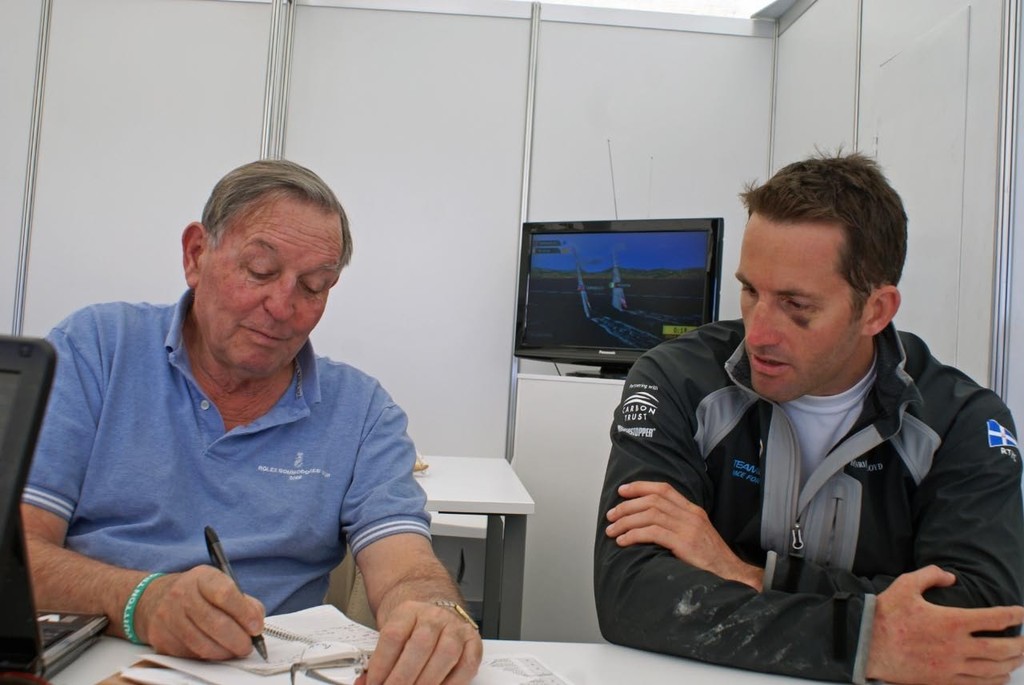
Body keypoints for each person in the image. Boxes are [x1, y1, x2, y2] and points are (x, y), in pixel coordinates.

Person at [21, 159, 482, 685]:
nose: (283, 307)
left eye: (314, 287)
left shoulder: (360, 411)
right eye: (260, 271)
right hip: (89, 664)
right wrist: (138, 601)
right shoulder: (96, 351)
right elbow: (18, 553)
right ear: (196, 255)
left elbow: (405, 568)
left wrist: (434, 613)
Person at [594, 151, 1024, 684]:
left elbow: (983, 625)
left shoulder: (960, 421)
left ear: (876, 310)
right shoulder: (677, 380)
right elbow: (631, 595)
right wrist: (863, 638)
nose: (758, 333)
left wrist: (748, 573)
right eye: (750, 290)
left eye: (797, 306)